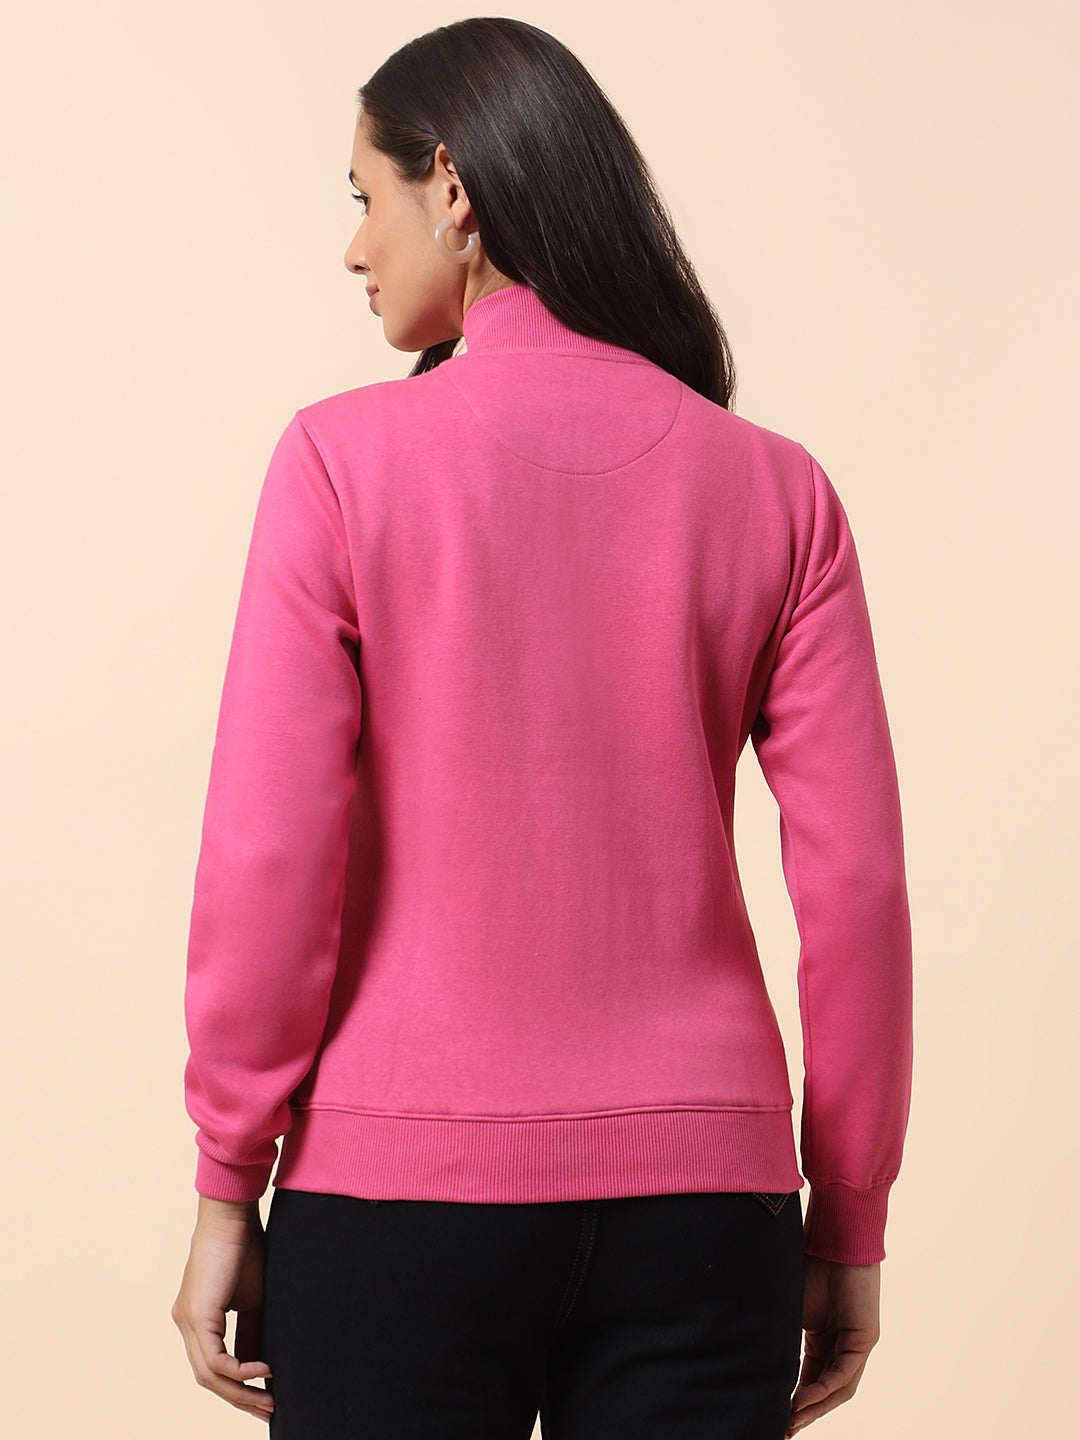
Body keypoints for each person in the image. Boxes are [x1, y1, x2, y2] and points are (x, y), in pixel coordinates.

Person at [171, 17, 912, 1440]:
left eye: (364, 198)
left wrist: (225, 1181)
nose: (353, 247)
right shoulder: (779, 491)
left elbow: (268, 857)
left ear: (451, 187)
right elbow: (859, 889)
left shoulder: (338, 463)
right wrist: (852, 1217)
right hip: (709, 1211)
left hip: (395, 1205)